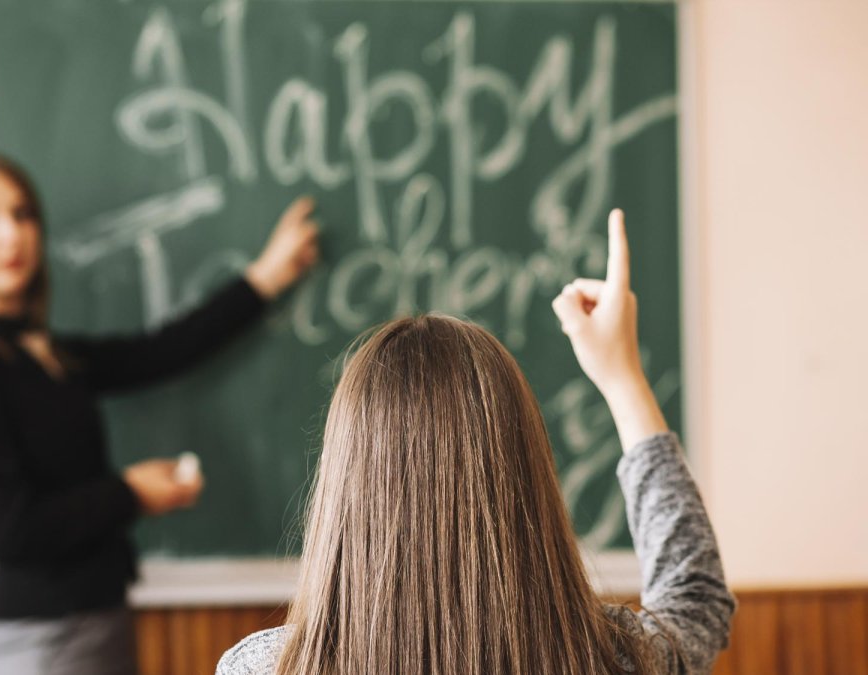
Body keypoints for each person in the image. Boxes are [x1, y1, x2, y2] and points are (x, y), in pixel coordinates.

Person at [218, 210, 735, 675]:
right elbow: (696, 601)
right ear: (525, 467)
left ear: (343, 482)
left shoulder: (264, 669)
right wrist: (624, 380)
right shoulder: (618, 657)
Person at [0, 150, 319, 675]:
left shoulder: (45, 353)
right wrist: (133, 494)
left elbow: (162, 351)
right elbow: (12, 529)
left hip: (96, 624)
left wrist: (265, 278)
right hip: (40, 643)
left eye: (23, 213)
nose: (12, 235)